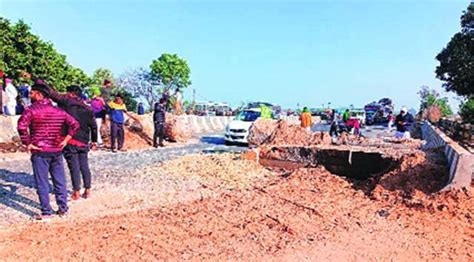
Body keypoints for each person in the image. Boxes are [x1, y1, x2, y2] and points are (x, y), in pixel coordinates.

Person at [17, 83, 79, 220]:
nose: (30, 95)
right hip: (56, 149)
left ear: (39, 94)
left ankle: (46, 211)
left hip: (40, 150)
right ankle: (63, 209)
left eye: (32, 92)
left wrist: (27, 143)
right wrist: (66, 140)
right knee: (60, 180)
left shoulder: (31, 110)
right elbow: (75, 124)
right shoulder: (58, 111)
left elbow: (21, 127)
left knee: (42, 182)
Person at [45, 85, 98, 200]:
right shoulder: (87, 108)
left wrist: (35, 79)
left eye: (67, 92)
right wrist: (94, 141)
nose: (64, 94)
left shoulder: (66, 103)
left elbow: (51, 92)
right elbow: (94, 126)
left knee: (74, 166)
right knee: (84, 166)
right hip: (84, 141)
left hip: (70, 139)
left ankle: (76, 192)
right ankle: (87, 190)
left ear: (72, 94)